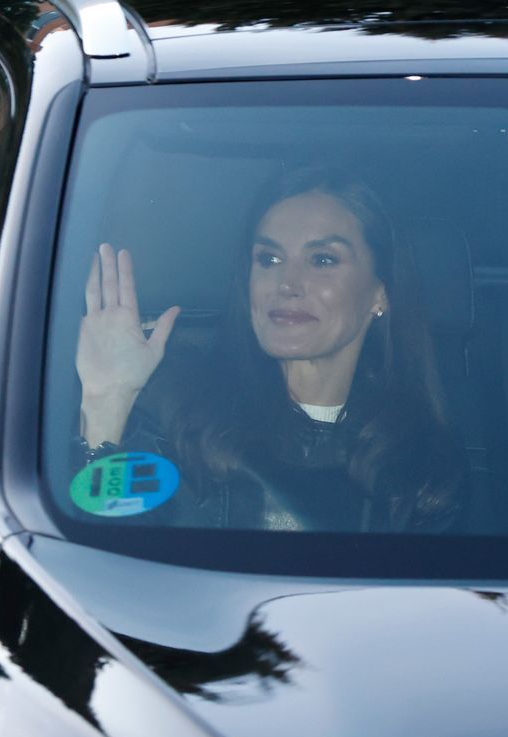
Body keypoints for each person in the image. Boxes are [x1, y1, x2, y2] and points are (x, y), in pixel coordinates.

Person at [75, 165, 466, 531]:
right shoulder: (177, 411)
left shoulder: (416, 464)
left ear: (380, 293)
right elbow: (108, 554)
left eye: (323, 259)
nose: (287, 283)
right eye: (270, 259)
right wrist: (107, 400)